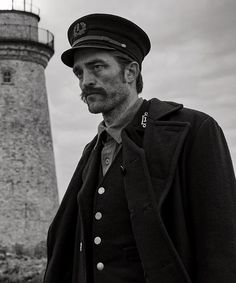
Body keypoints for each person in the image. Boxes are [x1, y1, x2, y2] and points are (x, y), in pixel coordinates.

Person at [43, 13, 236, 283]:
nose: (85, 81)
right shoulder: (92, 151)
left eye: (97, 67)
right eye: (79, 72)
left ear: (130, 72)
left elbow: (222, 247)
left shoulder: (193, 129)